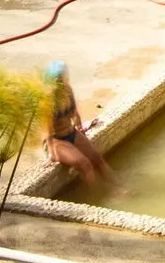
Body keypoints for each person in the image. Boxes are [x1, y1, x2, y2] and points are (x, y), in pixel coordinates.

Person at [43, 61, 116, 189]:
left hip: (71, 133)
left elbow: (75, 114)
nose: (62, 81)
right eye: (58, 79)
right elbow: (47, 131)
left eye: (62, 78)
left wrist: (80, 130)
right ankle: (99, 195)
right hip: (57, 141)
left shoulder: (68, 90)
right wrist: (52, 153)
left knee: (97, 158)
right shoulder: (48, 101)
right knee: (85, 163)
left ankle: (117, 188)